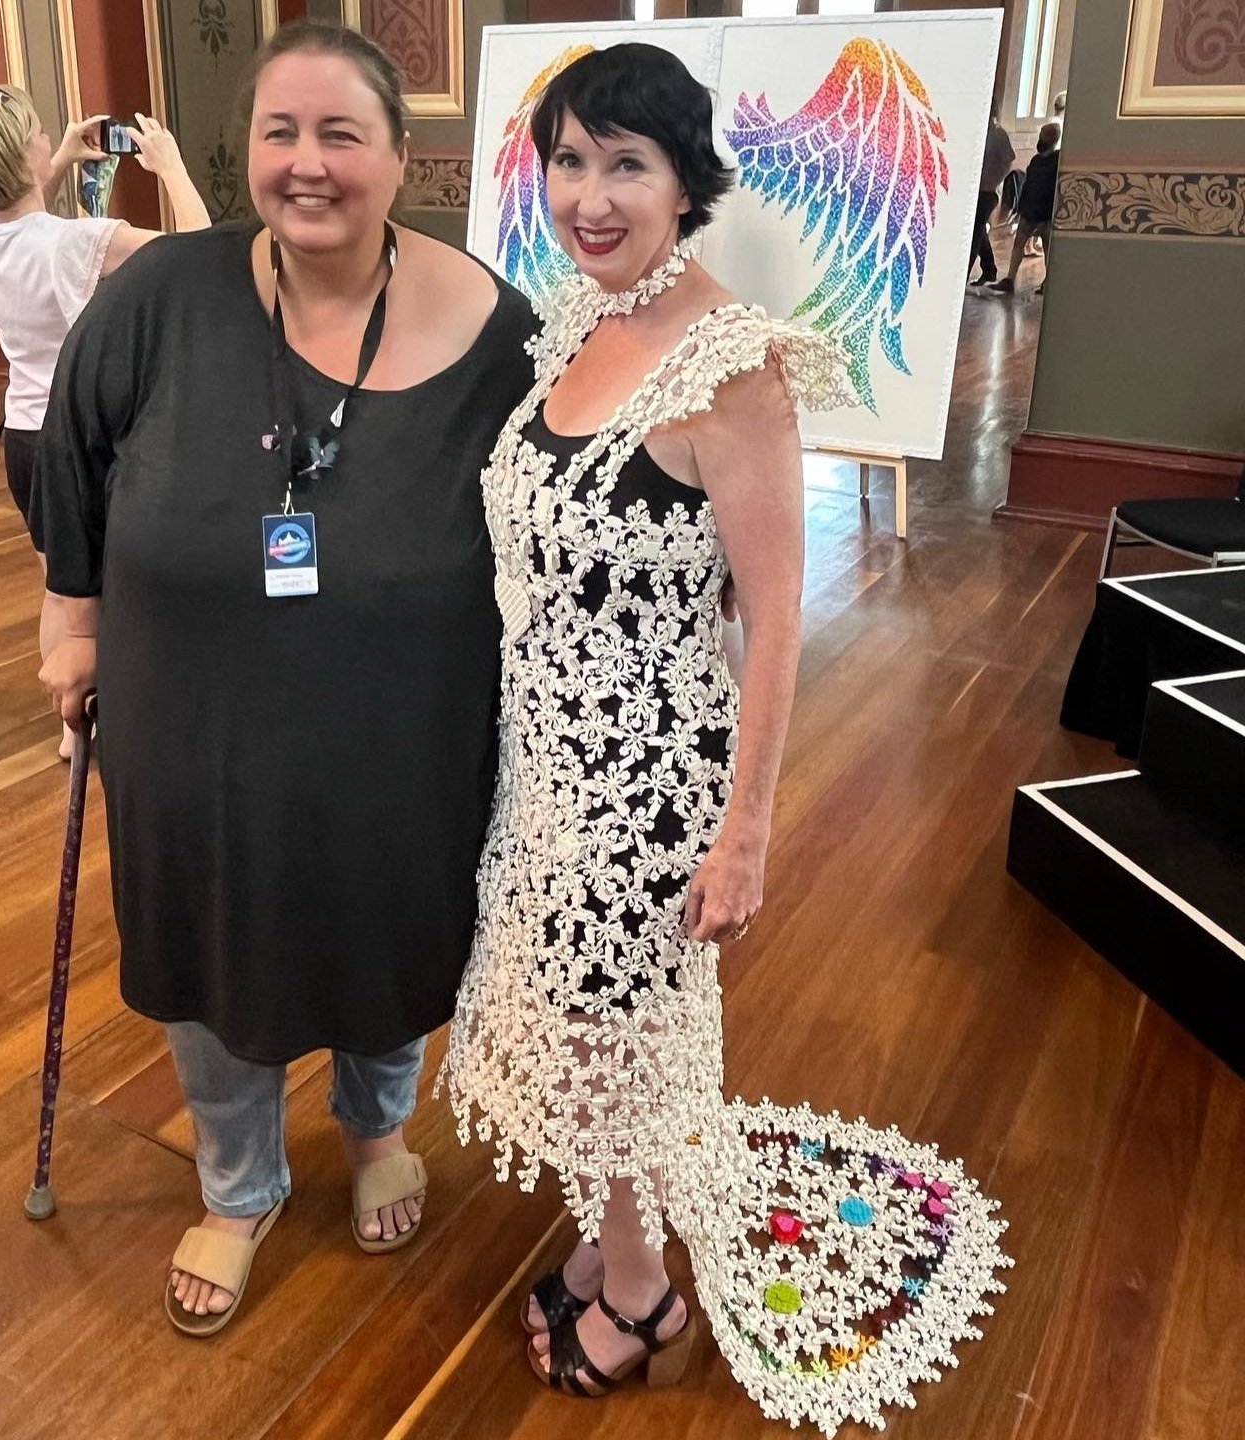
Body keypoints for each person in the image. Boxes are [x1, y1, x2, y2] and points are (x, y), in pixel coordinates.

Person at [34, 20, 538, 1337]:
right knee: (207, 936)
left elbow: (562, 512)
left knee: (390, 918)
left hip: (405, 723)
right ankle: (241, 1180)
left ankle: (378, 1130)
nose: (306, 164)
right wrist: (68, 623)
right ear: (244, 148)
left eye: (339, 135)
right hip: (186, 713)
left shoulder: (496, 328)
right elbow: (69, 455)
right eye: (278, 132)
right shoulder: (160, 295)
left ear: (400, 157)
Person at [441, 44, 855, 1396]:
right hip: (547, 760)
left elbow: (779, 619)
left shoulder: (732, 366)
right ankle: (608, 1244)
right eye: (570, 160)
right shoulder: (577, 319)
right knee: (570, 1032)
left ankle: (641, 1294)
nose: (592, 194)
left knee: (608, 1044)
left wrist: (746, 836)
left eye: (628, 162)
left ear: (687, 181)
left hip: (652, 782)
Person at [0, 83, 211, 759]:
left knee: (62, 588)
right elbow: (201, 256)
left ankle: (71, 726)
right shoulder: (77, 241)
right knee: (117, 588)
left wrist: (51, 163)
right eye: (37, 133)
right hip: (85, 439)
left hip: (23, 440)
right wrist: (169, 165)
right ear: (23, 149)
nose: (45, 139)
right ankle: (138, 710)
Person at [990, 120, 1060, 296]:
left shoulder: (1048, 161)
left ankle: (1033, 280)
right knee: (1029, 245)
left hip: (1040, 210)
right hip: (1036, 209)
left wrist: (1021, 208)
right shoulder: (1045, 160)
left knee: (1041, 246)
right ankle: (1011, 279)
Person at [968, 102, 1014, 285]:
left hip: (989, 191)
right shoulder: (977, 131)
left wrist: (994, 181)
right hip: (976, 188)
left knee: (975, 231)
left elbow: (1008, 160)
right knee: (978, 229)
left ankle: (965, 272)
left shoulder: (999, 135)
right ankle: (989, 269)